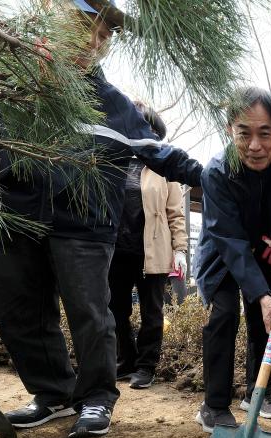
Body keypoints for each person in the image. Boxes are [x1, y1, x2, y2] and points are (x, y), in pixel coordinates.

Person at [0, 0, 203, 438]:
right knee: (18, 312)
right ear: (52, 11)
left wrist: (220, 177)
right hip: (13, 216)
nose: (94, 42)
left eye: (105, 34)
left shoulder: (113, 105)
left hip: (83, 227)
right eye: (84, 25)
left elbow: (163, 155)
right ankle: (52, 393)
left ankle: (96, 397)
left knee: (90, 315)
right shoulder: (8, 75)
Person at [192, 87, 271, 432]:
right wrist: (262, 293)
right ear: (229, 130)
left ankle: (257, 393)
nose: (255, 145)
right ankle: (214, 405)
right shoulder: (216, 173)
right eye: (244, 133)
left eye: (265, 133)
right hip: (222, 254)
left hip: (262, 253)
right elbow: (230, 240)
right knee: (223, 317)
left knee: (262, 322)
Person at [108, 101, 187, 390]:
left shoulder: (163, 167)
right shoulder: (114, 161)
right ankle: (125, 360)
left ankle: (146, 366)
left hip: (151, 251)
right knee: (116, 308)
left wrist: (180, 249)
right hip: (117, 250)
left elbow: (176, 212)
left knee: (152, 312)